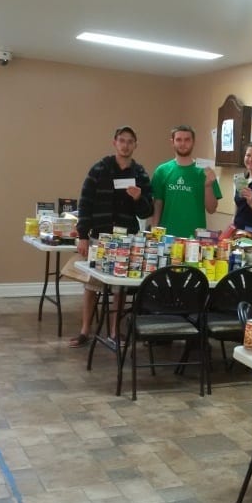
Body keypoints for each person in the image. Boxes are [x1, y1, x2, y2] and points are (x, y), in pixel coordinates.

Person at [69, 126, 154, 348]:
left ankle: (115, 331)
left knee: (119, 288)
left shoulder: (140, 174)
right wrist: (83, 236)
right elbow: (84, 203)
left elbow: (147, 212)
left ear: (135, 145)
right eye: (122, 141)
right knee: (91, 285)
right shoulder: (99, 169)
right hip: (100, 237)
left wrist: (138, 198)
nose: (125, 145)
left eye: (130, 141)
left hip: (126, 239)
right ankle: (85, 330)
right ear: (114, 143)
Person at [151, 124, 222, 237]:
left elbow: (211, 209)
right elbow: (157, 204)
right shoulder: (161, 171)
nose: (183, 143)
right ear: (172, 142)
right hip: (166, 237)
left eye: (187, 140)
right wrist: (154, 232)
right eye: (178, 139)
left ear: (193, 142)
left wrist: (208, 186)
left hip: (194, 238)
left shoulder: (205, 171)